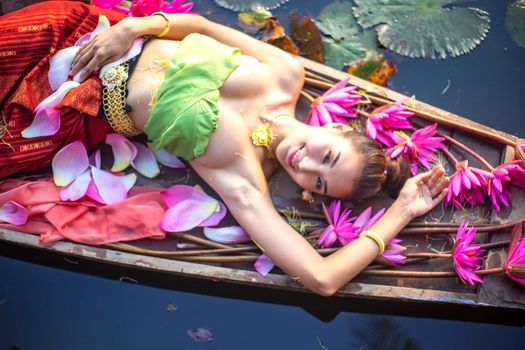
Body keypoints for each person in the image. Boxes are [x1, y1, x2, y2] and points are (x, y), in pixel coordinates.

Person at [1, 1, 449, 296]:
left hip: (63, 111)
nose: (305, 164)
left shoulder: (243, 176)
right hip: (84, 36)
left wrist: (402, 212)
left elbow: (322, 278)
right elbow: (202, 25)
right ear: (337, 128)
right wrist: (134, 26)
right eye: (326, 155)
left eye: (317, 182)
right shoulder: (285, 72)